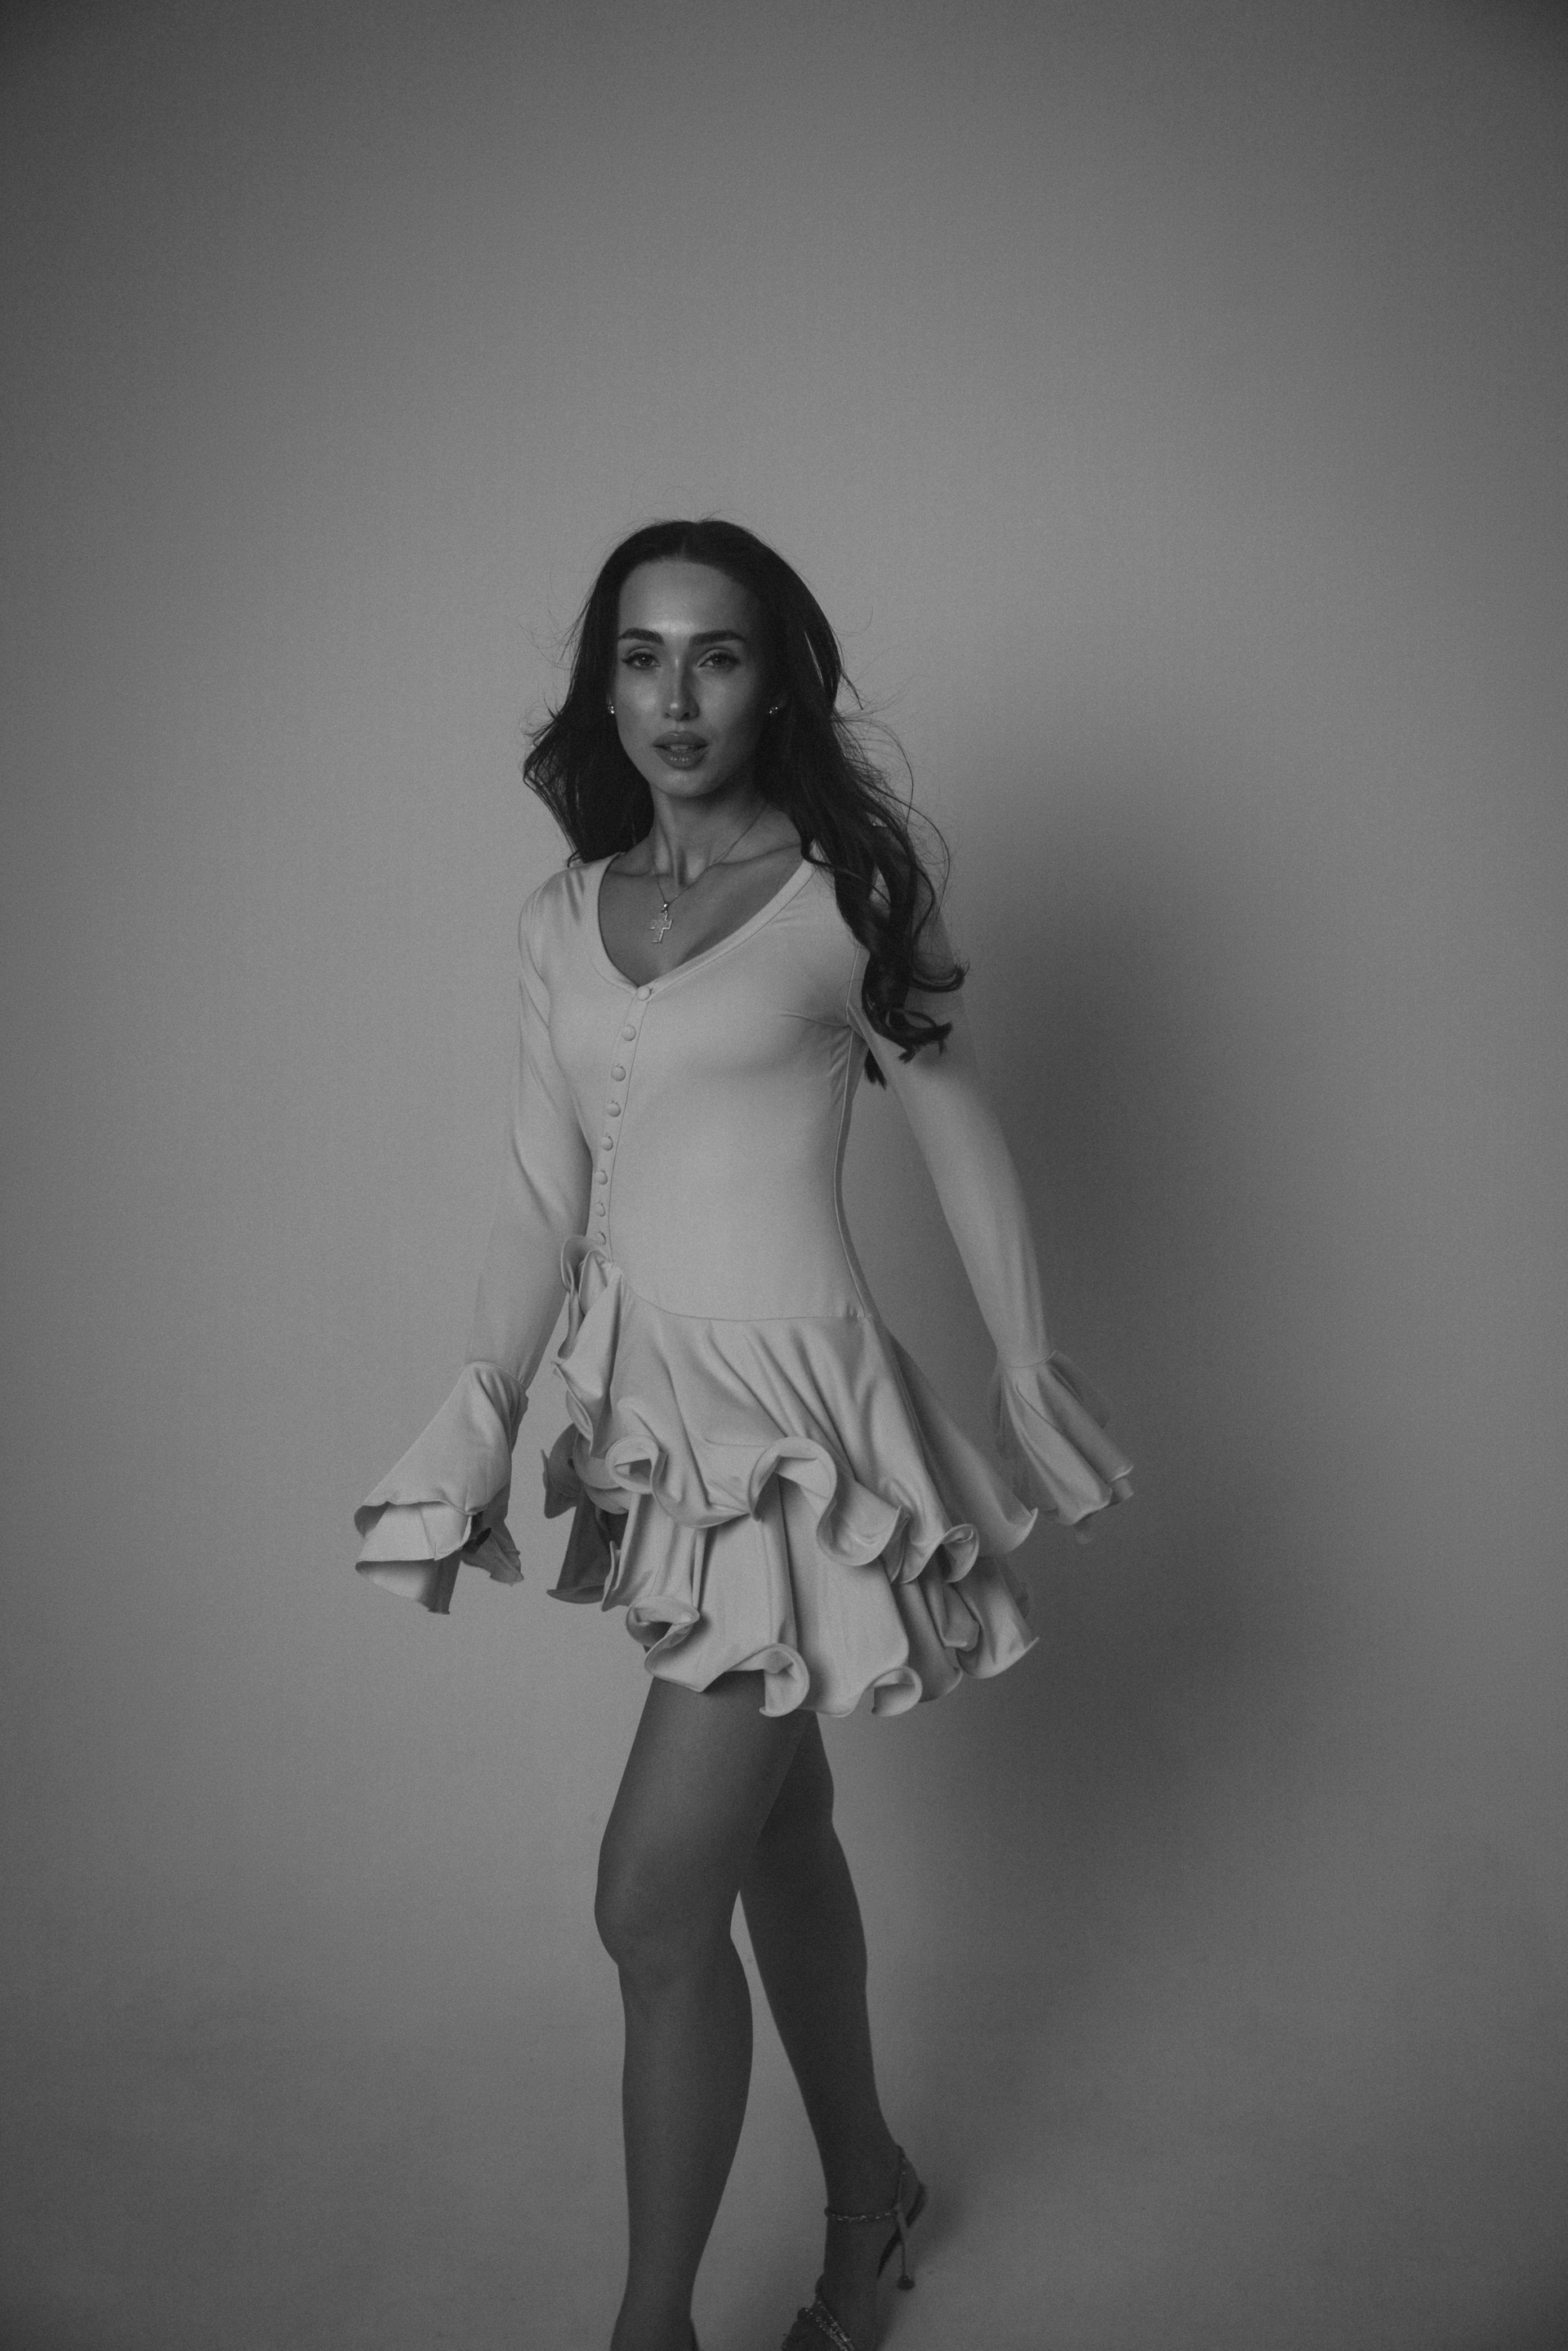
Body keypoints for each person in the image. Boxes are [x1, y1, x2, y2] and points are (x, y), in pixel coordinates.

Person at [353, 519, 1133, 2351]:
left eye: (715, 653)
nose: (675, 694)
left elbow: (956, 1124)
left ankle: (654, 2329)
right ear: (604, 682)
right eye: (641, 655)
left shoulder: (838, 895)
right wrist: (483, 1413)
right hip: (655, 1440)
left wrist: (1026, 1369)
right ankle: (873, 2200)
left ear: (775, 678)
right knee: (781, 1839)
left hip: (799, 1449)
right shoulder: (560, 917)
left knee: (648, 1904)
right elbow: (541, 1199)